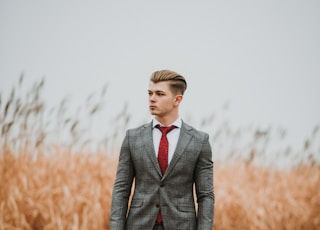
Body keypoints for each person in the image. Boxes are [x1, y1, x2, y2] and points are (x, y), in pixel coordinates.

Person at [110, 70, 214, 230]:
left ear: (177, 99)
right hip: (138, 225)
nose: (152, 99)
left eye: (159, 94)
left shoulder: (199, 141)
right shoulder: (133, 137)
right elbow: (121, 190)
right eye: (150, 93)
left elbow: (205, 195)